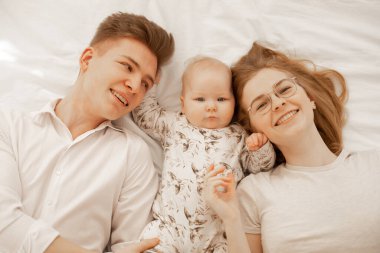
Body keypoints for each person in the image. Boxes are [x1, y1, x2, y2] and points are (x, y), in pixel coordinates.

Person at [0, 12, 174, 253]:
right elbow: (3, 223)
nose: (135, 87)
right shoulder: (9, 125)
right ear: (87, 59)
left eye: (145, 83)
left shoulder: (132, 155)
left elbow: (132, 246)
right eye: (127, 66)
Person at [204, 42, 380, 253]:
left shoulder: (374, 165)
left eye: (285, 89)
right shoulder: (254, 192)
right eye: (261, 105)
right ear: (253, 129)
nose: (278, 103)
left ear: (310, 98)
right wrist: (231, 217)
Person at [132, 56, 275, 252]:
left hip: (217, 237)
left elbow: (259, 168)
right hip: (169, 231)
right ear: (183, 104)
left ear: (234, 103)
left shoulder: (238, 136)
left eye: (221, 99)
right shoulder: (176, 125)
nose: (211, 106)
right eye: (200, 99)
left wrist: (260, 148)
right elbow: (146, 116)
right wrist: (152, 83)